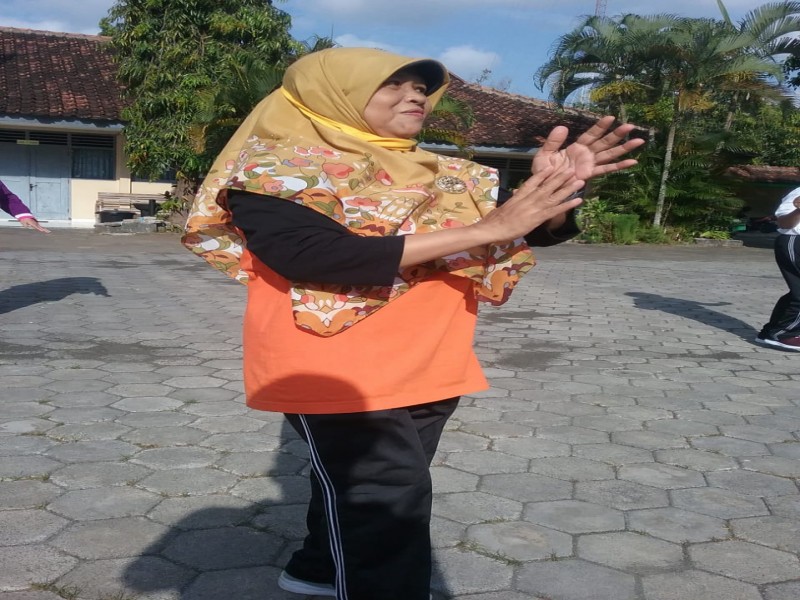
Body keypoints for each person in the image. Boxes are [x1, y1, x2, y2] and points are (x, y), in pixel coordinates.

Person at [182, 47, 643, 600]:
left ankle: (318, 567)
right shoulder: (274, 170)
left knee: (372, 486)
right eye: (392, 85)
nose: (415, 96)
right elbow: (309, 255)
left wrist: (556, 190)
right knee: (389, 496)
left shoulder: (446, 174)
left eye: (421, 87)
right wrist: (485, 230)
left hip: (430, 356)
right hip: (334, 363)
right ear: (336, 96)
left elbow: (528, 228)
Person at [756, 187, 800, 351]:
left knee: (797, 291)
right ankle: (784, 334)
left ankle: (770, 332)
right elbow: (783, 223)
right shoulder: (798, 193)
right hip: (794, 241)